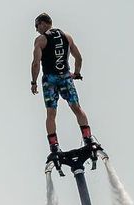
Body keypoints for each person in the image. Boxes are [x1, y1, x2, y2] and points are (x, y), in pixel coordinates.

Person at [31, 13, 106, 169]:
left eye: (36, 26)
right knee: (77, 108)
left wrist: (33, 82)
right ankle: (88, 138)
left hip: (50, 80)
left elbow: (36, 64)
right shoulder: (67, 36)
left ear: (42, 23)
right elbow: (78, 58)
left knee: (51, 114)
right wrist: (77, 73)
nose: (36, 30)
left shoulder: (41, 40)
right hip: (65, 77)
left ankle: (54, 146)